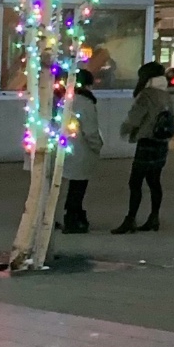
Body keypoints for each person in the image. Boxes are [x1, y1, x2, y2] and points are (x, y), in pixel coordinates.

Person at [114, 61, 173, 233]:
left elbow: (135, 118)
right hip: (161, 142)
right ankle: (154, 218)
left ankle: (130, 219)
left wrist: (125, 130)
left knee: (135, 182)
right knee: (154, 181)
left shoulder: (147, 95)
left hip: (147, 142)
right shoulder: (165, 95)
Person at [59, 68, 101, 233]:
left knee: (71, 186)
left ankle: (70, 216)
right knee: (78, 187)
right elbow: (90, 131)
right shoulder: (86, 103)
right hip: (82, 151)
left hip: (65, 148)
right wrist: (97, 146)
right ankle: (73, 218)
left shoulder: (64, 101)